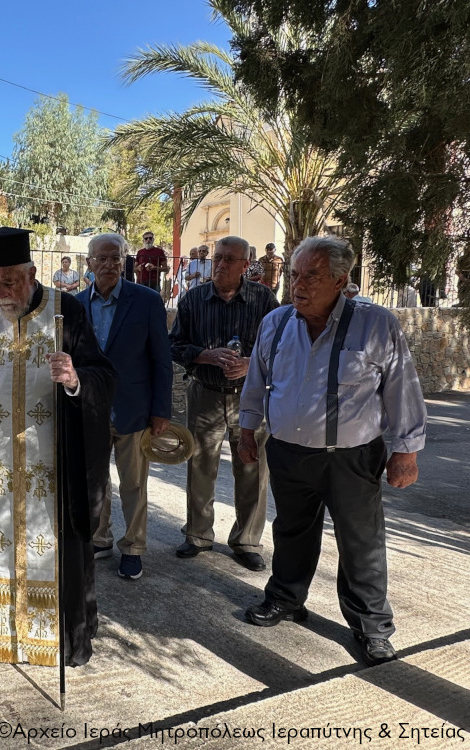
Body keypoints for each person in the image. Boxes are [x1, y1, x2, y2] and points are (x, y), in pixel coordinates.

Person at [237, 236, 426, 666]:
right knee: (291, 531)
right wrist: (248, 430)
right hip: (288, 451)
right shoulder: (277, 323)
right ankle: (286, 598)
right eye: (294, 275)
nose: (298, 285)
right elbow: (257, 383)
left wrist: (406, 451)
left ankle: (372, 627)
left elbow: (402, 389)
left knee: (360, 542)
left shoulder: (376, 324)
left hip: (352, 457)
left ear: (341, 281)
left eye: (312, 277)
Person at [0, 226, 114, 667]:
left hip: (54, 470)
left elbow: (103, 375)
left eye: (10, 281)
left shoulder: (69, 314)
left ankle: (60, 638)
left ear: (32, 273)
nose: (2, 291)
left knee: (58, 548)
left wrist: (75, 380)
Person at [169, 235, 278, 571]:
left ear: (247, 265)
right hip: (205, 394)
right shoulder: (194, 299)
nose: (220, 265)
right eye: (218, 258)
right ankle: (198, 535)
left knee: (252, 468)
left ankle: (246, 541)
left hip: (251, 397)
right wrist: (204, 355)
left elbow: (281, 348)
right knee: (200, 467)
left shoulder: (265, 301)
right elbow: (174, 345)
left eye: (230, 259)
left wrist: (251, 364)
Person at [79, 234, 172, 580]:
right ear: (87, 263)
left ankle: (133, 546)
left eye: (115, 258)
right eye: (101, 259)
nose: (109, 265)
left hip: (134, 410)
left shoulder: (146, 300)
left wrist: (161, 410)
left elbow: (162, 359)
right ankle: (100, 539)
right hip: (91, 411)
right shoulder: (75, 304)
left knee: (133, 484)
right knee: (96, 481)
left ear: (125, 262)